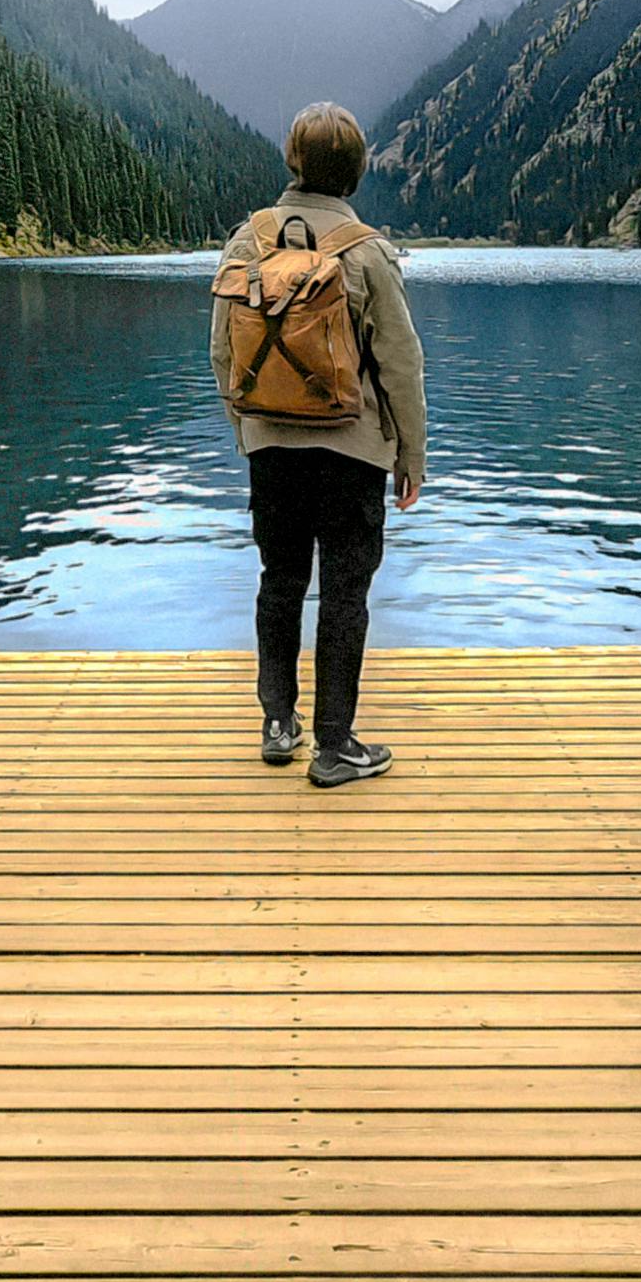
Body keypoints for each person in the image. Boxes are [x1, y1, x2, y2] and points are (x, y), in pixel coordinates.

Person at [210, 102, 426, 786]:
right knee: (344, 591)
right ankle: (336, 745)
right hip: (353, 449)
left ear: (291, 160)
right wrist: (410, 456)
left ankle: (278, 723)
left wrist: (250, 428)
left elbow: (222, 351)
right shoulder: (367, 251)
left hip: (271, 447)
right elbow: (400, 364)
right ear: (357, 171)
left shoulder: (250, 240)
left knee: (280, 580)